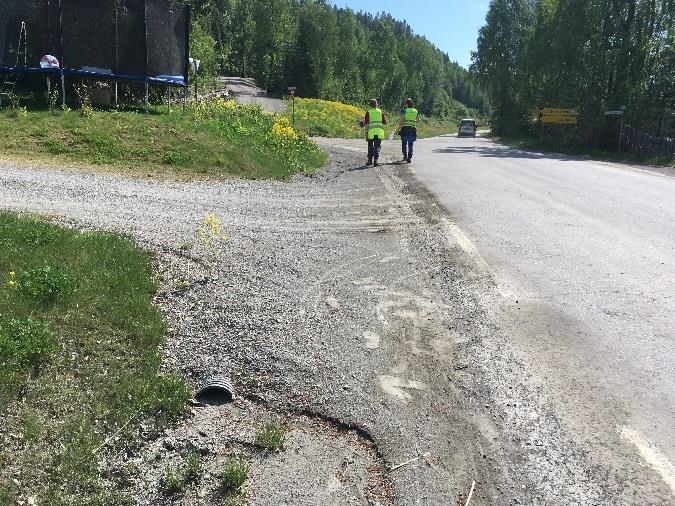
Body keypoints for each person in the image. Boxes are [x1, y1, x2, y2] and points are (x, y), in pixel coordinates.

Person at [364, 99, 387, 166]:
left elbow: (366, 124)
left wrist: (366, 133)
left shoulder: (368, 112)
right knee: (377, 146)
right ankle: (376, 160)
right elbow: (385, 122)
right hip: (379, 132)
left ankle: (370, 161)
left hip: (371, 132)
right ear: (377, 104)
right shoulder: (380, 112)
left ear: (370, 105)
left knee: (370, 146)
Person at [398, 98, 419, 163]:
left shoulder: (404, 111)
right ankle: (409, 157)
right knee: (410, 144)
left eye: (405, 104)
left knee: (404, 143)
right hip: (412, 128)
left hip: (405, 128)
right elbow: (418, 120)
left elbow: (402, 121)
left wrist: (398, 129)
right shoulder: (415, 111)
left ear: (407, 104)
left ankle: (405, 156)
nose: (404, 105)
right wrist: (413, 121)